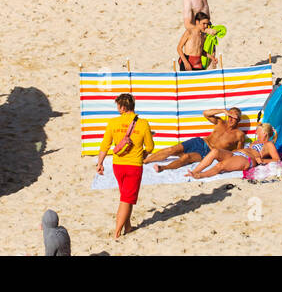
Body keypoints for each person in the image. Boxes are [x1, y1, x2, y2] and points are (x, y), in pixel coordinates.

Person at [95, 93, 154, 239]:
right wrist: (144, 154)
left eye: (118, 106)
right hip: (134, 165)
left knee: (126, 195)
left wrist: (100, 163)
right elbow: (151, 147)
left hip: (118, 165)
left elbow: (105, 145)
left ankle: (127, 227)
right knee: (126, 199)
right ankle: (117, 233)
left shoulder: (113, 123)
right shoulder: (143, 123)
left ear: (122, 106)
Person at [144, 108, 244, 171]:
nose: (230, 118)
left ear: (238, 119)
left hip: (208, 153)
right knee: (172, 149)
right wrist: (223, 111)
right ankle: (145, 161)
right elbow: (206, 113)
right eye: (229, 115)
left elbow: (238, 152)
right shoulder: (220, 122)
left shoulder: (239, 135)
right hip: (200, 142)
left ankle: (163, 168)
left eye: (233, 116)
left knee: (186, 157)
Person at [187, 122, 280, 179]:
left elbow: (277, 159)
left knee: (221, 165)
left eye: (258, 131)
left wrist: (263, 160)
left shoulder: (269, 144)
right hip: (235, 154)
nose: (256, 133)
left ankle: (201, 175)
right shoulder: (255, 142)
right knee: (215, 151)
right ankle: (195, 171)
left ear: (264, 133)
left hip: (245, 159)